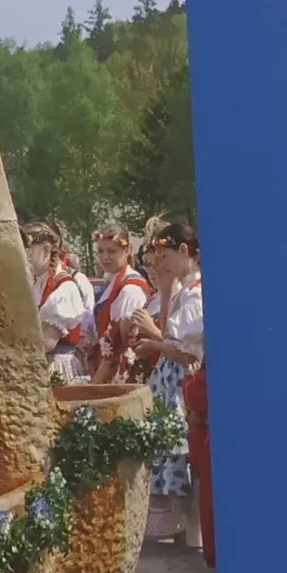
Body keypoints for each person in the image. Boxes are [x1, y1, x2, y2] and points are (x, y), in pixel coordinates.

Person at [126, 218, 206, 546]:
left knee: (183, 457)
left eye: (164, 256)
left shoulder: (197, 293)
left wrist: (155, 342)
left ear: (184, 250)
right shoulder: (183, 290)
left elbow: (186, 353)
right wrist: (168, 288)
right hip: (170, 380)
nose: (160, 264)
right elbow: (170, 335)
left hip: (184, 383)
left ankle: (191, 538)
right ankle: (182, 535)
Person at [22, 220, 89, 386]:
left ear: (46, 250)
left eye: (28, 253)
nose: (23, 259)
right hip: (39, 362)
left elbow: (47, 342)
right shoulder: (38, 283)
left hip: (57, 365)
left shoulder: (64, 287)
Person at [89, 223, 151, 383]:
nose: (105, 257)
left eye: (111, 251)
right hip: (106, 365)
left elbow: (119, 345)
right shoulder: (114, 281)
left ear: (127, 250)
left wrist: (94, 384)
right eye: (100, 251)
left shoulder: (130, 289)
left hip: (121, 371)